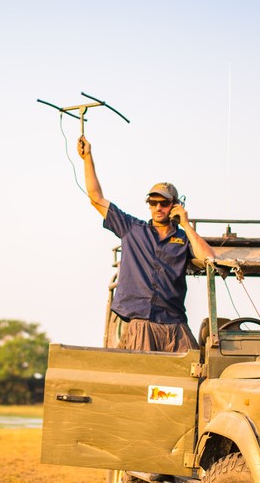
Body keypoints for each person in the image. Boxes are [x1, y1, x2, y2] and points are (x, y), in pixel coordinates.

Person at [77, 135, 216, 352]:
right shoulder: (132, 229)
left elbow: (210, 259)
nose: (158, 207)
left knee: (197, 371)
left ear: (175, 206)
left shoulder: (184, 239)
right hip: (141, 324)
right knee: (144, 380)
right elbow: (96, 198)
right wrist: (87, 158)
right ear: (148, 204)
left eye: (164, 203)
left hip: (175, 325)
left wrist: (187, 226)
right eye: (153, 202)